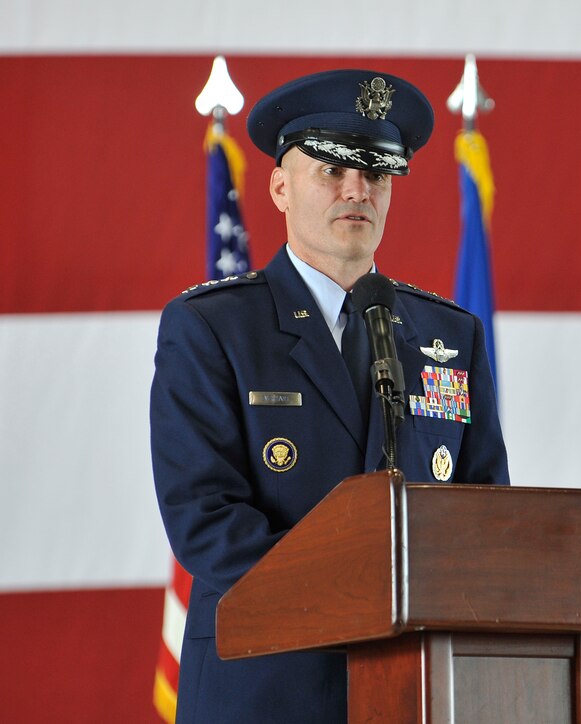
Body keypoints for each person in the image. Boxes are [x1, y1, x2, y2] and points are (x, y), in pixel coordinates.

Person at [150, 68, 510, 723]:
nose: (356, 191)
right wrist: (361, 594)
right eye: (330, 170)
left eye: (375, 173)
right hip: (264, 689)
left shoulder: (451, 336)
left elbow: (484, 515)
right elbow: (205, 519)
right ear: (280, 186)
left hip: (416, 689)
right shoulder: (211, 328)